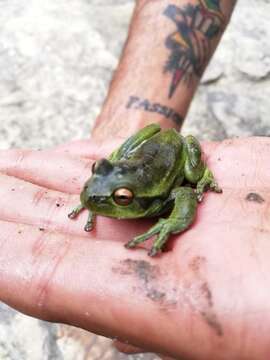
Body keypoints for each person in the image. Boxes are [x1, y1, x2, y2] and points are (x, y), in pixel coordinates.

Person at [0, 1, 269, 359]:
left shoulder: (155, 198)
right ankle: (116, 156)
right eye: (98, 172)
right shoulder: (112, 185)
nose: (93, 192)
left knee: (190, 172)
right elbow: (106, 182)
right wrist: (102, 189)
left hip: (171, 156)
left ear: (134, 198)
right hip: (145, 151)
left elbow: (185, 195)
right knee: (117, 169)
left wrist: (172, 222)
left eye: (121, 198)